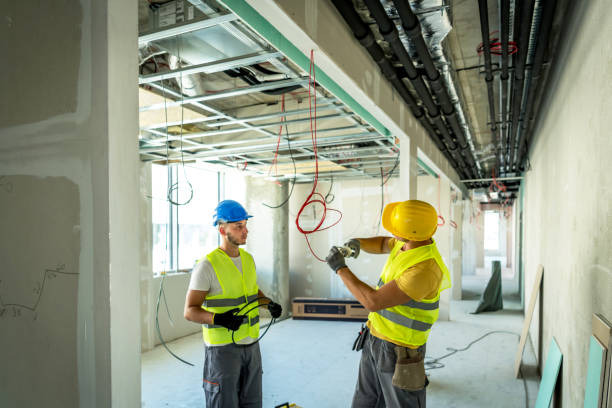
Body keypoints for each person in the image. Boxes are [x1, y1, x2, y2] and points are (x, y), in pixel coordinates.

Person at [325, 199, 450, 408]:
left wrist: (340, 268)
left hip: (401, 351)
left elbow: (372, 302)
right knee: (366, 401)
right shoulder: (409, 243)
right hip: (375, 338)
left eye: (396, 228)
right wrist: (359, 243)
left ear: (410, 233)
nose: (392, 232)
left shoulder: (425, 269)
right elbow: (384, 243)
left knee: (401, 404)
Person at [184, 199, 282, 408]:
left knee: (252, 403)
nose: (245, 231)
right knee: (224, 403)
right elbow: (190, 311)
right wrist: (219, 319)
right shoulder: (207, 266)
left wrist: (268, 303)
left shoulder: (248, 259)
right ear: (222, 229)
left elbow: (251, 292)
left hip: (251, 344)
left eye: (245, 225)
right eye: (238, 226)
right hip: (222, 350)